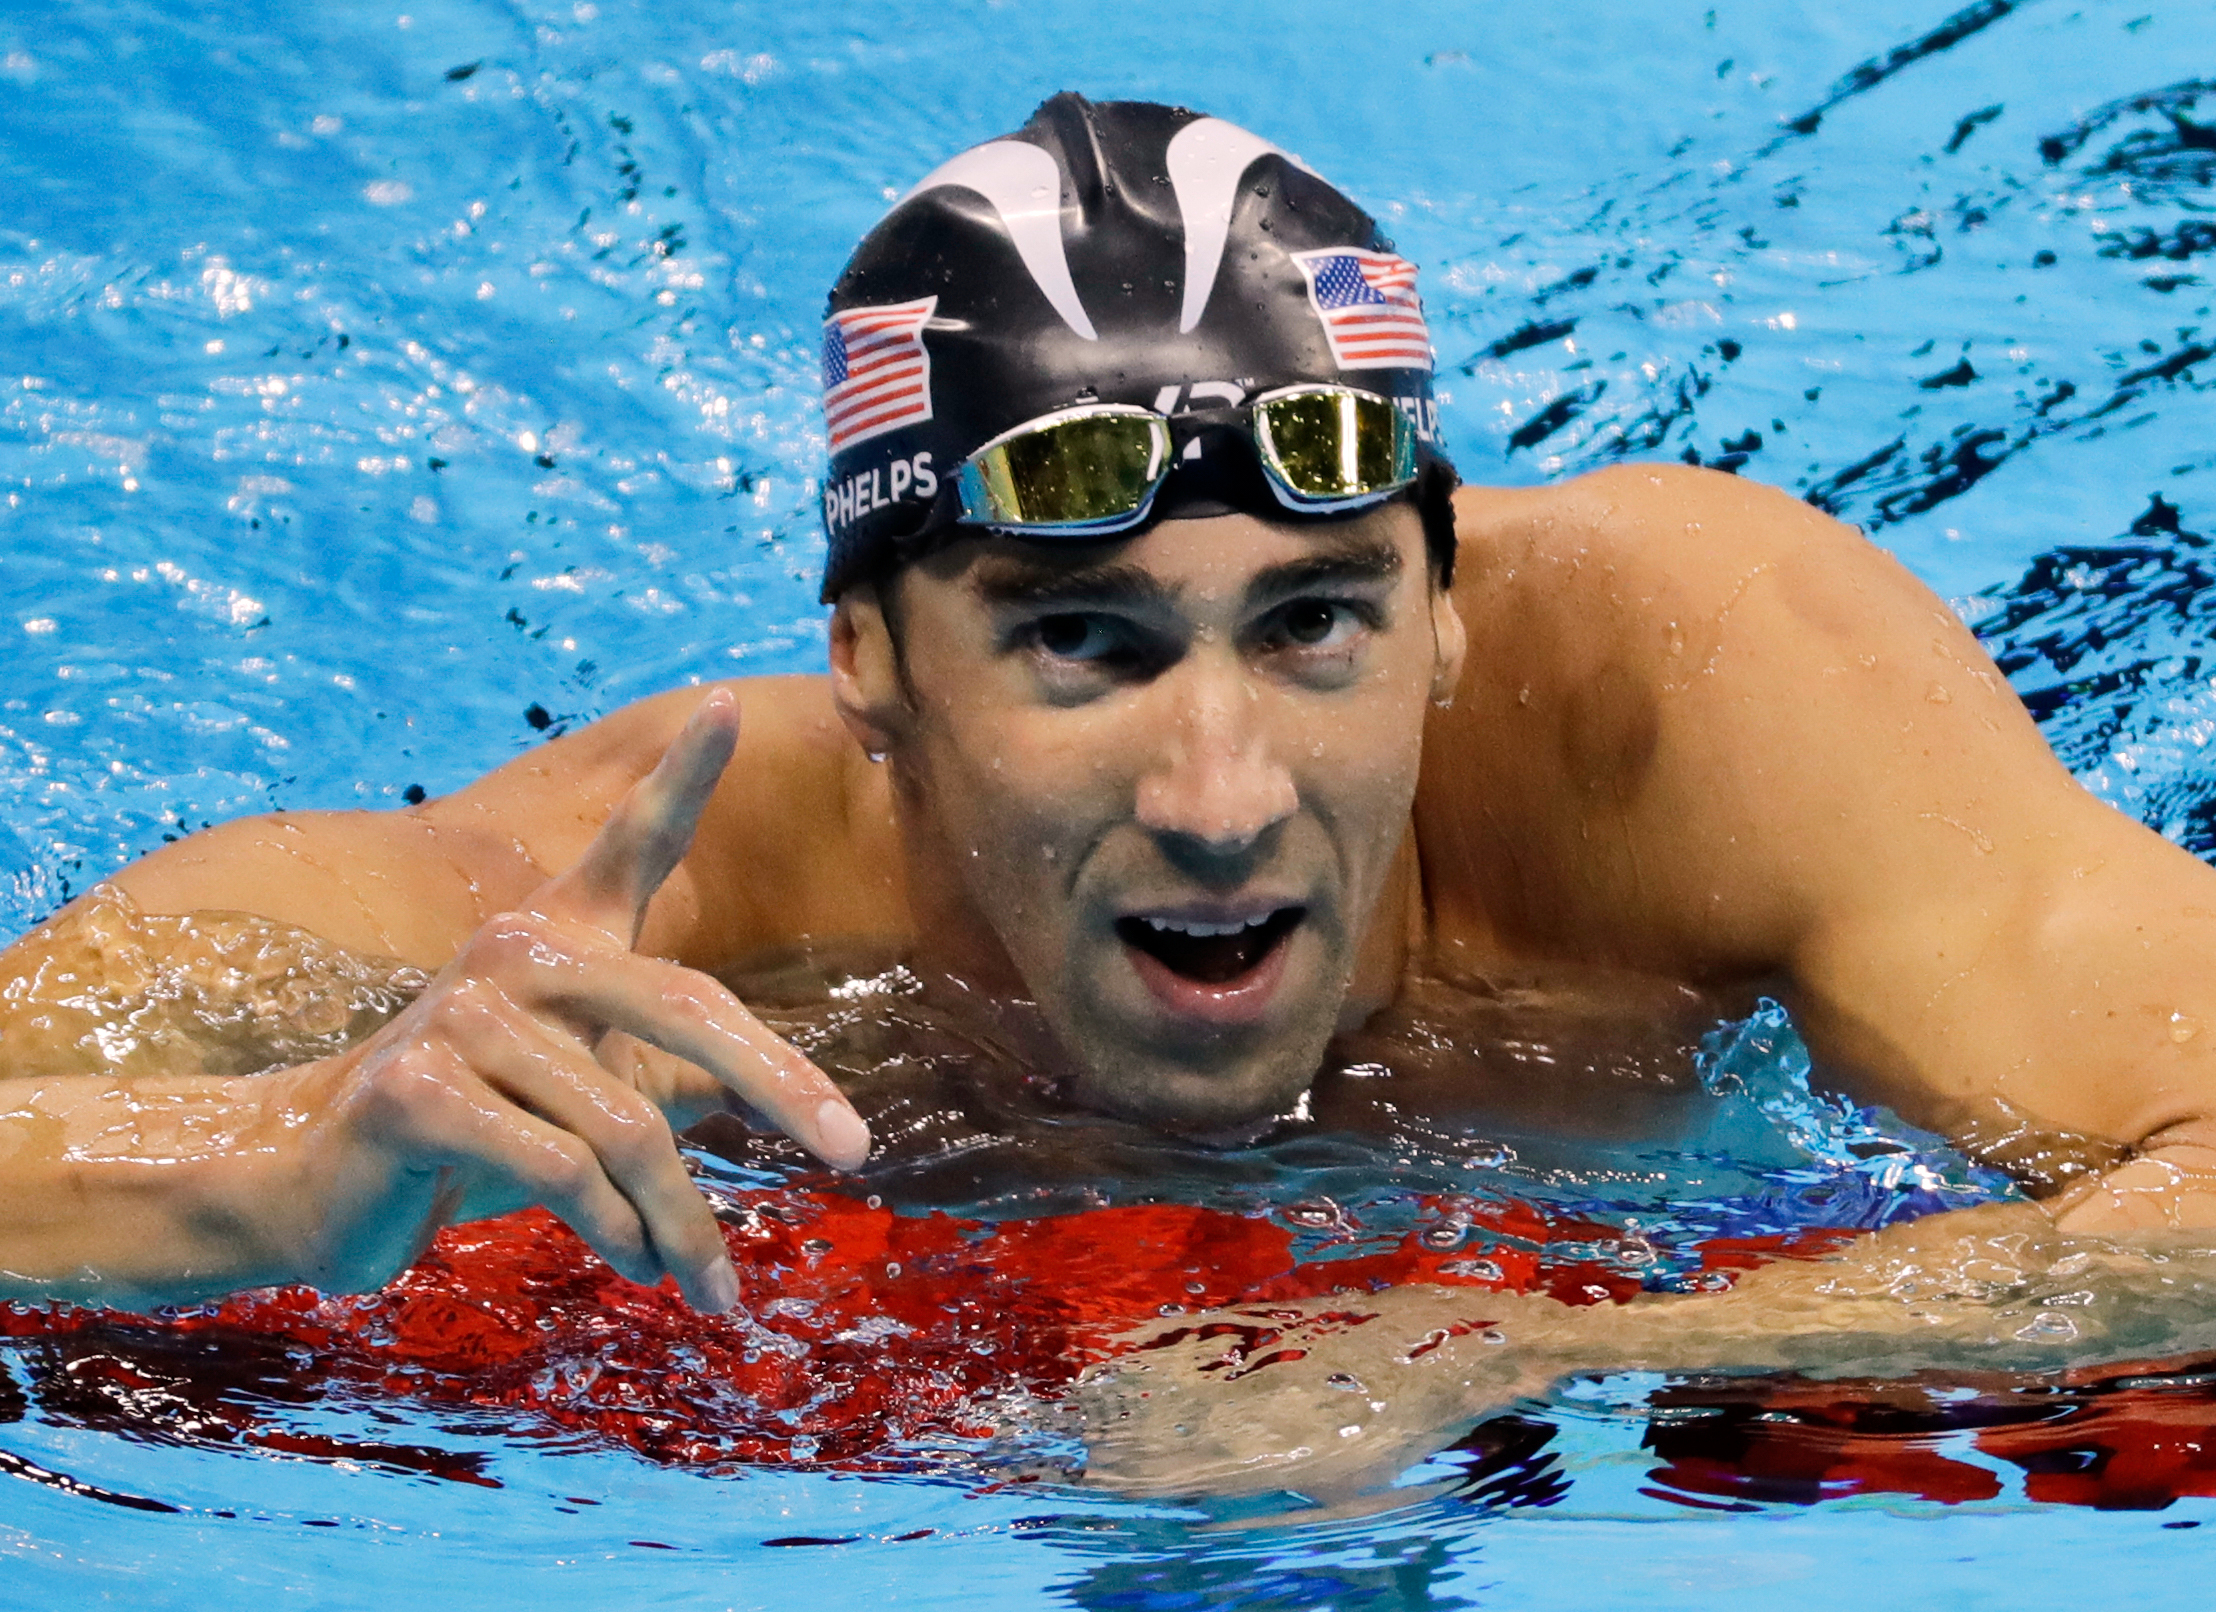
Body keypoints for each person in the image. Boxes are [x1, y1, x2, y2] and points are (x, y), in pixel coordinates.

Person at [3, 92, 2213, 1320]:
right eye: (1086, 640)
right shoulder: (651, 908)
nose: (1225, 791)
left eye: (1317, 622)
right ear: (868, 660)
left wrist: (1539, 1345)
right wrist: (282, 1163)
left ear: (1445, 607)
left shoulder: (1695, 717)